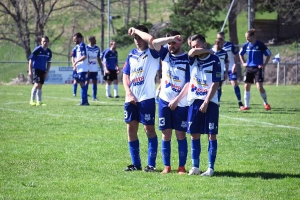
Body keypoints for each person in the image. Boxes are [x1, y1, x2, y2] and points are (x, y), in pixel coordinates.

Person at [123, 25, 160, 172]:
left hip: (147, 98)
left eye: (139, 37)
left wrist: (137, 31)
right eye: (135, 38)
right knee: (131, 130)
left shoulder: (153, 52)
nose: (137, 40)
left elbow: (152, 40)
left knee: (149, 129)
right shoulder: (131, 55)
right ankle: (136, 164)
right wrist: (129, 93)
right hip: (131, 98)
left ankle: (151, 165)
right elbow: (126, 76)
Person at [152, 31, 190, 174]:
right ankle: (166, 166)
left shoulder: (187, 59)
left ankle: (181, 167)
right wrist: (170, 38)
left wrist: (177, 99)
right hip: (164, 101)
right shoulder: (165, 54)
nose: (171, 45)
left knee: (180, 134)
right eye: (169, 43)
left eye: (174, 43)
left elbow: (188, 83)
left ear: (180, 42)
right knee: (165, 134)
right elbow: (154, 43)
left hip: (180, 103)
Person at [187, 34, 221, 176]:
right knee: (194, 134)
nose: (195, 49)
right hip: (194, 101)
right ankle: (195, 167)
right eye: (193, 46)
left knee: (211, 135)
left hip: (210, 101)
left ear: (204, 44)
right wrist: (208, 50)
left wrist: (207, 101)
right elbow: (191, 52)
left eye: (197, 45)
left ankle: (210, 168)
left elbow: (216, 83)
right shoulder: (192, 58)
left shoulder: (215, 60)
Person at [239, 29, 272, 111]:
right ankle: (246, 106)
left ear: (253, 36)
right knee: (246, 86)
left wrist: (264, 64)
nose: (247, 39)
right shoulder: (246, 45)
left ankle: (266, 103)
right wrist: (243, 63)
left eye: (248, 37)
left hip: (258, 68)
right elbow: (240, 54)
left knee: (259, 87)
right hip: (249, 68)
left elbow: (268, 54)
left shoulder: (260, 44)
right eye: (246, 38)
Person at [217, 31, 244, 108]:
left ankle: (240, 102)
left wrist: (235, 64)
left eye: (221, 38)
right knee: (219, 86)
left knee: (234, 83)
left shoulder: (230, 45)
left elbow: (236, 54)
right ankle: (218, 103)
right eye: (218, 38)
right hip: (221, 69)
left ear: (224, 37)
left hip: (231, 68)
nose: (220, 40)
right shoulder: (215, 48)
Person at [28, 36, 52, 106]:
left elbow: (49, 62)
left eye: (46, 41)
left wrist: (47, 72)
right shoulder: (37, 49)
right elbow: (31, 59)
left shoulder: (49, 52)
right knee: (36, 84)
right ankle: (31, 100)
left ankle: (39, 101)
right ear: (41, 42)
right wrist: (30, 70)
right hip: (36, 69)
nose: (45, 43)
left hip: (43, 70)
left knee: (40, 85)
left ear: (48, 42)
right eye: (43, 41)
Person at [72, 32, 89, 106]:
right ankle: (84, 101)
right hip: (79, 68)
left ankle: (84, 101)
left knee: (82, 84)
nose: (74, 41)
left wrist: (76, 61)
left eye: (75, 39)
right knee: (81, 84)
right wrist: (74, 64)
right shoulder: (77, 46)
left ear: (79, 38)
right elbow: (73, 56)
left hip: (82, 68)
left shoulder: (82, 45)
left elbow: (84, 56)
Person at [211, 38, 229, 106]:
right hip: (210, 73)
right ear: (216, 43)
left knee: (218, 87)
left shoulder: (224, 52)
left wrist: (226, 72)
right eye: (221, 44)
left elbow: (227, 62)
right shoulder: (210, 52)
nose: (222, 45)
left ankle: (217, 101)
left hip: (220, 73)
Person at [86, 36, 104, 101]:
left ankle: (94, 97)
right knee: (86, 82)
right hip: (88, 68)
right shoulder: (86, 48)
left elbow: (99, 59)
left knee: (95, 82)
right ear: (90, 40)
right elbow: (85, 58)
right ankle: (85, 96)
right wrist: (86, 67)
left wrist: (101, 68)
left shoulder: (97, 48)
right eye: (94, 39)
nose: (95, 40)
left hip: (95, 68)